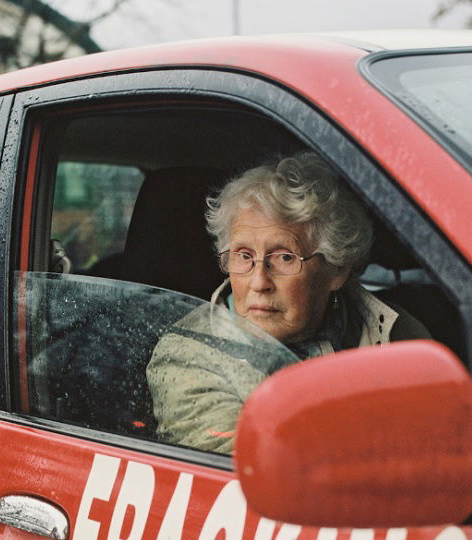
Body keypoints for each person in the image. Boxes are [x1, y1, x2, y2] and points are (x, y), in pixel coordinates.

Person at [146, 151, 429, 454]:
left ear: (337, 268)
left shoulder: (396, 332)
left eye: (284, 257)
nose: (258, 282)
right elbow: (259, 473)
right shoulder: (188, 354)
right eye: (243, 255)